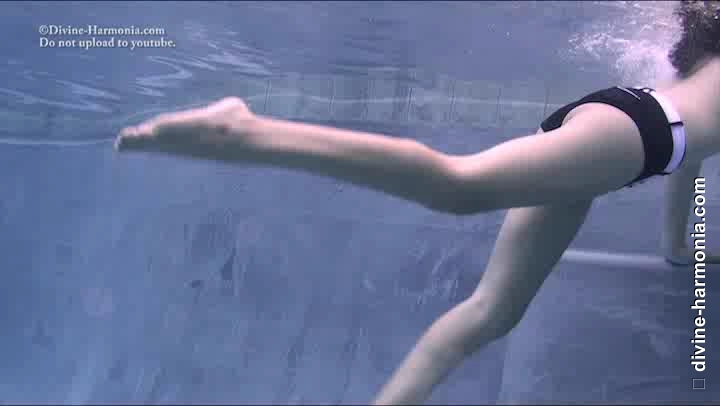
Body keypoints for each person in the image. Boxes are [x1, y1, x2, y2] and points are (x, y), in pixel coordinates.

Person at [116, 1, 720, 404]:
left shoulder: (698, 77)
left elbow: (690, 161)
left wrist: (679, 248)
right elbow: (687, 150)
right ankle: (246, 132)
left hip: (630, 123)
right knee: (459, 187)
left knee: (491, 313)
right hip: (640, 135)